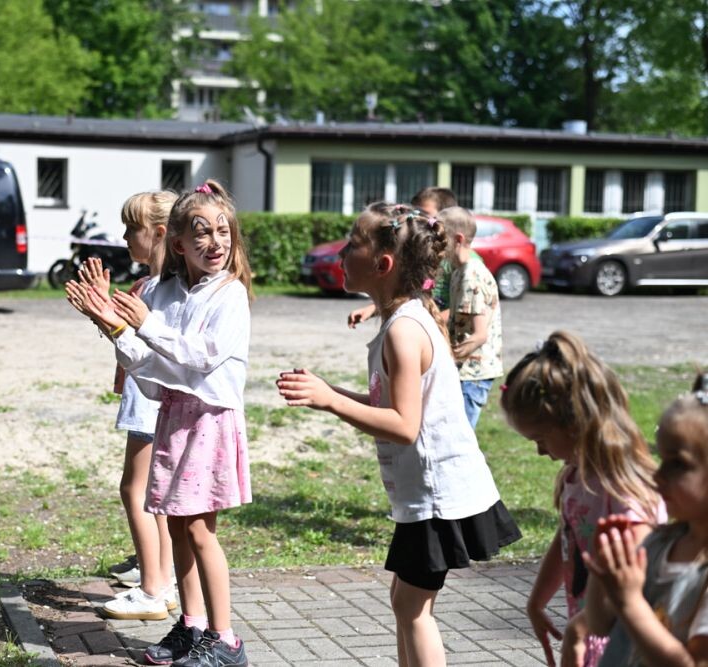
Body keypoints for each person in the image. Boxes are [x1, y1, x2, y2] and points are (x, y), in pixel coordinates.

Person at [277, 202, 520, 667]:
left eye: (352, 244)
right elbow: (394, 408)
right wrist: (330, 391)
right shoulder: (405, 319)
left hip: (438, 495)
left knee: (412, 608)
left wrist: (330, 401)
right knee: (405, 602)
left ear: (382, 264)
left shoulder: (403, 331)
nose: (342, 253)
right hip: (430, 493)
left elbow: (405, 426)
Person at [66, 180, 253, 667]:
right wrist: (112, 325)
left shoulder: (229, 295)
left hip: (209, 422)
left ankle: (226, 640)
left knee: (201, 532)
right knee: (176, 527)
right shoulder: (164, 292)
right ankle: (192, 625)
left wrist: (144, 323)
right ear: (179, 244)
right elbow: (151, 373)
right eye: (202, 233)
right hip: (173, 416)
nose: (215, 242)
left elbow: (203, 357)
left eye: (223, 231)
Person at [500, 332, 666, 667]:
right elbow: (569, 537)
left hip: (626, 643)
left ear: (574, 424)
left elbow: (642, 585)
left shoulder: (624, 496)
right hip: (591, 633)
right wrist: (537, 601)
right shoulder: (576, 477)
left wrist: (581, 628)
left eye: (541, 438)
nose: (539, 451)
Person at [69, 192, 178, 620]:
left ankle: (151, 588)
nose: (125, 236)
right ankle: (162, 582)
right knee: (157, 496)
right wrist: (100, 308)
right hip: (152, 395)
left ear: (160, 233)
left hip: (150, 398)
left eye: (133, 228)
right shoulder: (155, 286)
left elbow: (140, 345)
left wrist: (101, 311)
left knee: (136, 491)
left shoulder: (160, 290)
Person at [583, 373, 708, 667]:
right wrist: (605, 574)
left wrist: (629, 602)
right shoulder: (658, 543)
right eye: (661, 459)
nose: (657, 476)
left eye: (678, 464)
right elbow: (600, 624)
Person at [346, 187, 458, 329]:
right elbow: (406, 294)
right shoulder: (412, 253)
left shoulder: (459, 262)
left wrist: (425, 324)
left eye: (424, 213)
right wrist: (373, 309)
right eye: (415, 212)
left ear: (445, 215)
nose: (416, 218)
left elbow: (463, 307)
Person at [439, 206, 502, 428]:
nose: (433, 244)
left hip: (471, 374)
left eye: (439, 238)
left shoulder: (471, 275)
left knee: (460, 437)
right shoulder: (458, 272)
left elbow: (479, 335)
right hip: (464, 371)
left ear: (457, 239)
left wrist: (448, 359)